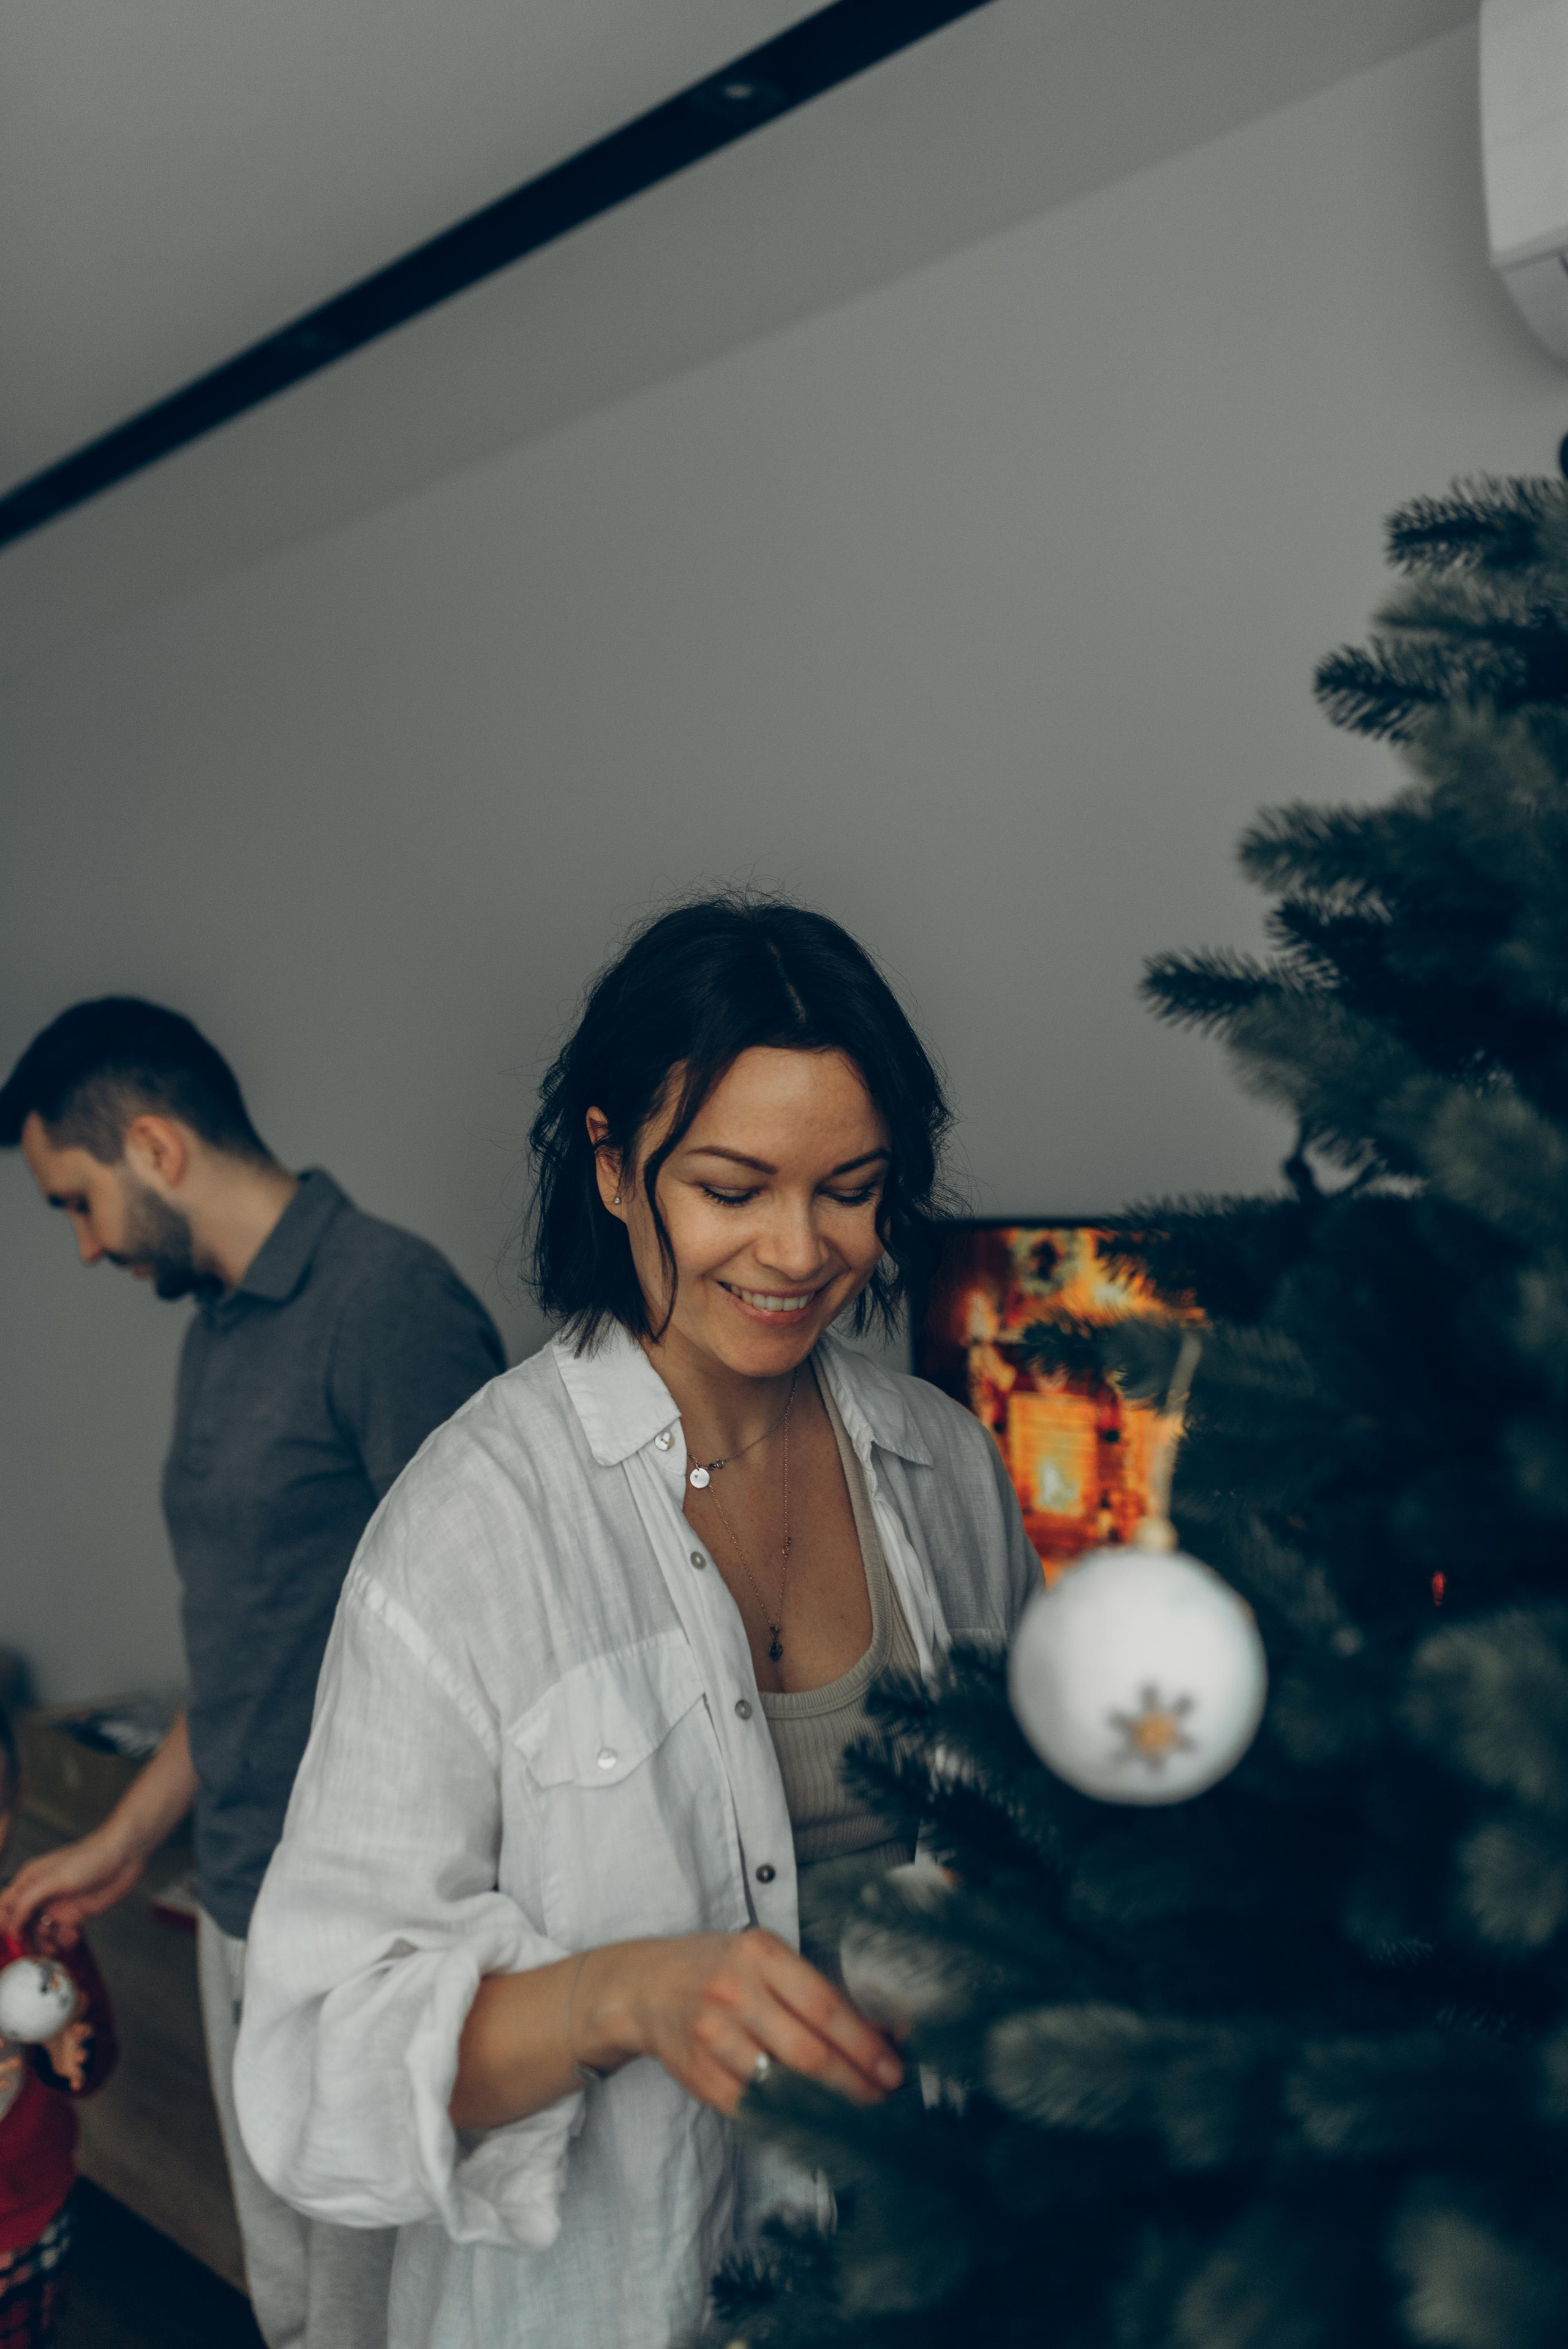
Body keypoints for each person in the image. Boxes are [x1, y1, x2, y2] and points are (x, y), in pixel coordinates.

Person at [235, 896, 1039, 2349]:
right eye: (731, 1187)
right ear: (611, 1165)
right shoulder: (472, 1523)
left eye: (850, 1189)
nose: (796, 1249)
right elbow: (314, 2067)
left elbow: (1037, 1853)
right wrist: (621, 1997)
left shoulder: (947, 1469)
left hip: (933, 2277)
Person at [0, 998, 506, 2349]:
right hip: (237, 1903)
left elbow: (506, 1640)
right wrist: (122, 1840)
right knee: (290, 2307)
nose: (85, 1242)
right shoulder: (217, 1332)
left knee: (368, 2322)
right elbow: (255, 1643)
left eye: (76, 1200)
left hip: (367, 1929)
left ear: (155, 1146)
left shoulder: (388, 1304)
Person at [0, 1706, 118, 2349]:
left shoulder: (39, 1937)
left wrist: (65, 2052)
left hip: (30, 2219)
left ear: (18, 1796)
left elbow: (91, 2072)